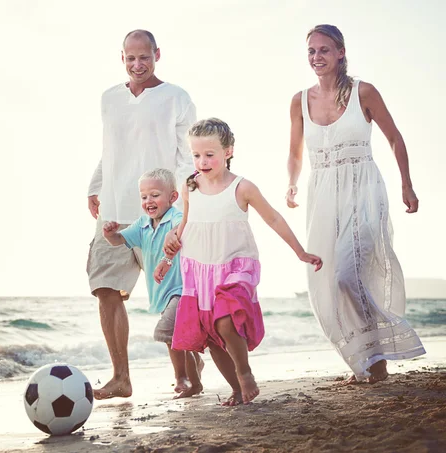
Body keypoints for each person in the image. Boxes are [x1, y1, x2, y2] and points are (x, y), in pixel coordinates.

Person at [285, 24, 425, 384]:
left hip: (363, 189)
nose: (317, 57)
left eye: (324, 50)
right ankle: (364, 359)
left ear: (341, 52)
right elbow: (295, 152)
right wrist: (291, 184)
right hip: (322, 196)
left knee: (350, 273)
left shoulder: (364, 92)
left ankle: (376, 359)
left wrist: (406, 184)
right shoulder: (299, 101)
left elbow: (395, 138)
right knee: (328, 281)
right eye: (312, 51)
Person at [155, 118, 322, 405]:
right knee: (211, 336)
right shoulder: (190, 186)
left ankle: (245, 373)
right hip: (199, 269)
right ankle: (236, 388)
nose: (202, 161)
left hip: (235, 265)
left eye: (210, 154)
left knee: (224, 320)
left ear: (228, 151)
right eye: (196, 155)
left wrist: (300, 252)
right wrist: (167, 257)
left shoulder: (242, 187)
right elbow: (185, 224)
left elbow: (273, 218)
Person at [86, 29, 196, 399]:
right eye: (130, 58)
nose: (137, 64)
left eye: (144, 57)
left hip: (158, 214)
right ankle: (121, 378)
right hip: (115, 211)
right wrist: (96, 185)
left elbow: (187, 156)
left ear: (157, 55)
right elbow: (110, 148)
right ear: (122, 58)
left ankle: (186, 375)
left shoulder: (176, 98)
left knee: (172, 297)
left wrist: (179, 208)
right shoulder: (110, 99)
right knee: (105, 288)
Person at [102, 168, 203, 399]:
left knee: (167, 332)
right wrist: (110, 234)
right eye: (144, 196)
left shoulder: (175, 217)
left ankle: (182, 378)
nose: (149, 201)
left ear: (173, 197)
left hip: (182, 289)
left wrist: (174, 233)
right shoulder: (143, 224)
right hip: (162, 293)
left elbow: (186, 225)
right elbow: (120, 240)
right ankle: (194, 370)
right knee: (177, 337)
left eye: (155, 195)